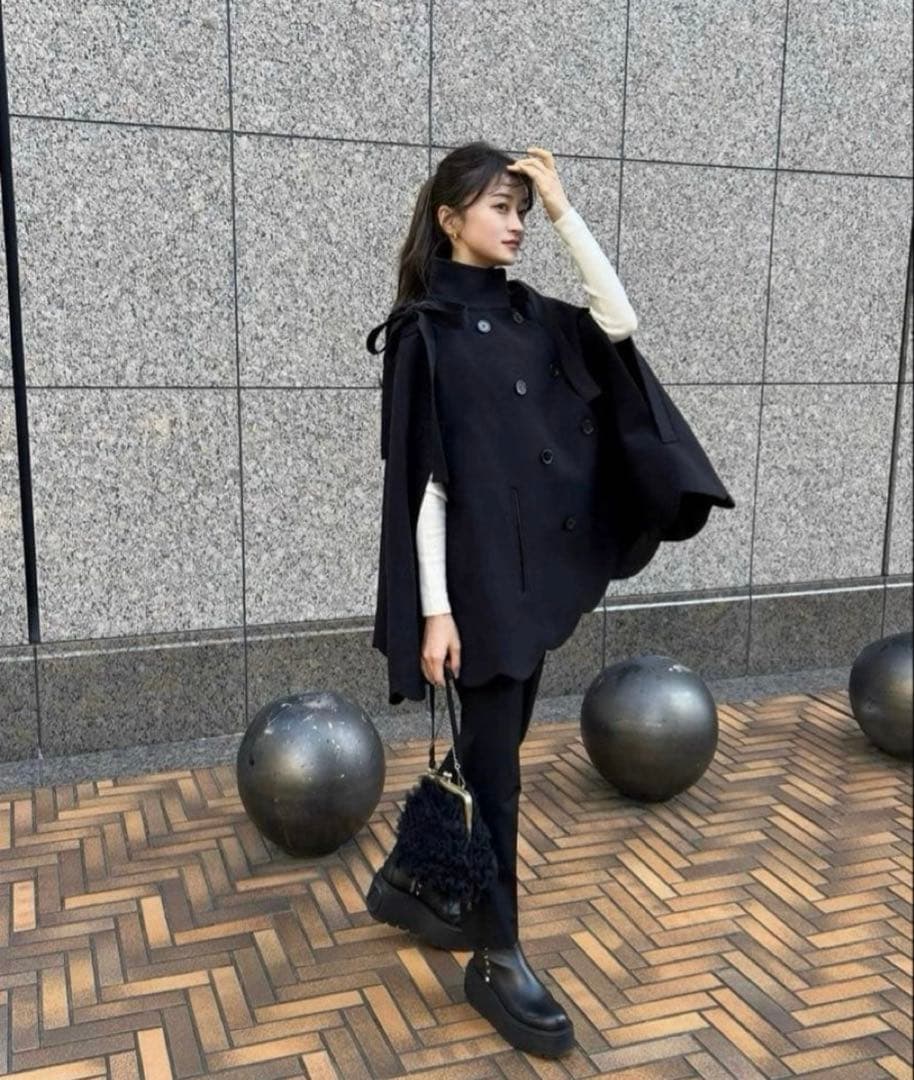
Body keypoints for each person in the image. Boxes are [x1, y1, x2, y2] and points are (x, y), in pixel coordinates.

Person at [366, 141, 734, 1058]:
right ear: (450, 218)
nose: (517, 223)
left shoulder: (532, 312)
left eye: (522, 209)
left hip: (534, 578)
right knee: (497, 773)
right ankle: (496, 954)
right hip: (479, 587)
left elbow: (619, 320)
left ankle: (420, 881)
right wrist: (436, 609)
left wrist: (566, 210)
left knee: (498, 749)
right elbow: (425, 489)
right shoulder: (422, 334)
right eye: (501, 207)